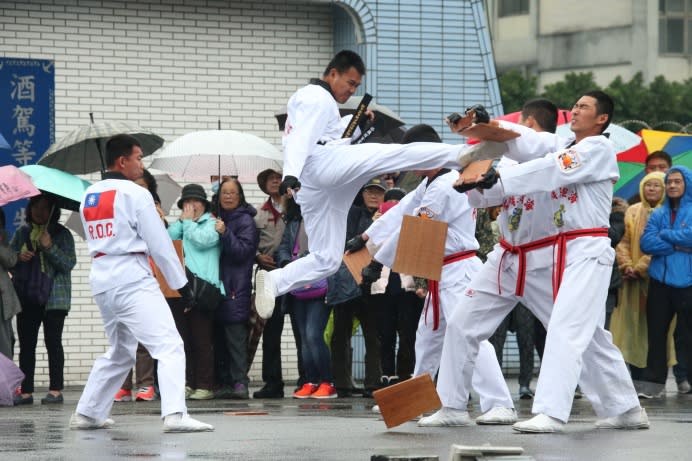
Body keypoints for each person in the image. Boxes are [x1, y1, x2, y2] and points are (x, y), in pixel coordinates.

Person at [432, 91, 648, 433]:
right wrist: (484, 144)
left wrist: (499, 173)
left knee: (569, 329)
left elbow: (547, 163)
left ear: (602, 118)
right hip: (514, 255)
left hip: (579, 251)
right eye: (574, 106)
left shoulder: (596, 149)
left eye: (584, 107)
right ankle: (452, 405)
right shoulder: (546, 151)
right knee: (461, 324)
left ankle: (552, 410)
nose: (575, 111)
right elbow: (525, 150)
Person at [254, 49, 505, 316]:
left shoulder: (319, 103)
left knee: (326, 259)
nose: (352, 91)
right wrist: (290, 171)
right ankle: (460, 155)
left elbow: (332, 137)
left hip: (316, 183)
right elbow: (301, 138)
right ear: (333, 73)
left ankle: (276, 281)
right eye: (350, 83)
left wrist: (357, 123)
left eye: (357, 86)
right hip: (317, 166)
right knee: (390, 154)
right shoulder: (314, 96)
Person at [364, 124, 516, 426]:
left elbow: (414, 227)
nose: (408, 163)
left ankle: (499, 403)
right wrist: (367, 237)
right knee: (428, 339)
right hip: (444, 271)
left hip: (459, 269)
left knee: (469, 335)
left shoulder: (446, 184)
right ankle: (415, 402)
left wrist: (378, 260)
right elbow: (402, 210)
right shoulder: (430, 183)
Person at [72, 133, 212, 432]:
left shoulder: (89, 195)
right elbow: (159, 242)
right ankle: (175, 414)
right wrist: (182, 284)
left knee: (121, 350)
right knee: (170, 344)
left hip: (102, 276)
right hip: (131, 275)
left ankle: (87, 412)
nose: (141, 164)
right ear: (122, 161)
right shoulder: (136, 194)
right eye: (138, 158)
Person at [10, 194, 76, 405]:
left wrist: (49, 246)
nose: (39, 212)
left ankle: (55, 390)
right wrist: (19, 257)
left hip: (55, 299)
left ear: (53, 211)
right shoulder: (23, 232)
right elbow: (10, 261)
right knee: (27, 344)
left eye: (45, 208)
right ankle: (26, 391)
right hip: (28, 296)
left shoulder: (62, 234)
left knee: (53, 344)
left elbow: (67, 264)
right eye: (36, 207)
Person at [638, 166, 692, 398]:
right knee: (656, 334)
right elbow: (646, 244)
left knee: (688, 335)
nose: (671, 185)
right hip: (660, 283)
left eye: (677, 181)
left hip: (688, 283)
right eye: (669, 181)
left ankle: (688, 380)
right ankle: (654, 384)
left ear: (686, 184)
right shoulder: (658, 213)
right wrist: (678, 245)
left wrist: (665, 235)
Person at [329, 178, 385, 397]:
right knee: (340, 334)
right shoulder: (351, 213)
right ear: (362, 194)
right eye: (369, 191)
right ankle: (342, 383)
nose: (373, 196)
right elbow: (349, 242)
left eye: (378, 192)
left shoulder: (388, 216)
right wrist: (372, 225)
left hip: (373, 284)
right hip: (346, 282)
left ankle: (372, 383)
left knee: (373, 335)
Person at [276, 196, 335, 398]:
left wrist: (305, 262)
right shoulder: (294, 221)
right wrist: (287, 265)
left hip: (321, 284)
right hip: (297, 286)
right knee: (303, 337)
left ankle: (327, 382)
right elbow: (284, 247)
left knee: (313, 334)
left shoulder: (327, 220)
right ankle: (310, 381)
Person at [168, 184, 223, 401]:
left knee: (202, 340)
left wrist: (189, 223)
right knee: (184, 340)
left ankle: (205, 385)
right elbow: (167, 239)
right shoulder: (184, 224)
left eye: (196, 202)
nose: (191, 206)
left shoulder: (212, 224)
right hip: (183, 288)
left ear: (204, 204)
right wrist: (182, 221)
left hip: (204, 289)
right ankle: (188, 382)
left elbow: (203, 241)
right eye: (187, 203)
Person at [611, 172, 667, 383]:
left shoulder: (667, 212)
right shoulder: (632, 211)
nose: (651, 189)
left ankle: (653, 375)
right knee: (631, 326)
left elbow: (660, 244)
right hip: (630, 281)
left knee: (653, 326)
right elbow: (623, 242)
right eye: (648, 185)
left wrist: (641, 267)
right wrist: (626, 265)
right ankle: (635, 374)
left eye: (656, 185)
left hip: (657, 279)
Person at [252, 168, 303, 399]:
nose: (275, 182)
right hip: (269, 275)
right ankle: (272, 382)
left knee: (302, 331)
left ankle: (306, 379)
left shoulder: (298, 208)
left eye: (278, 178)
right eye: (270, 179)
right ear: (264, 185)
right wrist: (257, 256)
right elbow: (250, 242)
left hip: (295, 275)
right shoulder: (258, 215)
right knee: (270, 332)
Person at [114, 169, 163, 403]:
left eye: (142, 187)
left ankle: (145, 385)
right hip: (123, 279)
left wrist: (159, 221)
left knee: (144, 336)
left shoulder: (154, 212)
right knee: (123, 335)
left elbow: (164, 247)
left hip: (148, 278)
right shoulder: (119, 213)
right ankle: (122, 386)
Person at [366, 187, 422, 386]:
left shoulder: (415, 225)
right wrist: (378, 226)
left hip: (407, 287)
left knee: (408, 333)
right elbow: (371, 251)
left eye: (398, 204)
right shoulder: (377, 227)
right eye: (390, 204)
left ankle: (404, 374)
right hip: (382, 287)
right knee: (384, 333)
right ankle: (387, 373)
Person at [214, 178, 258, 400]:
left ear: (240, 196)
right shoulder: (214, 218)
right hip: (216, 288)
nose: (228, 196)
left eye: (232, 192)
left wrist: (225, 233)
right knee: (219, 340)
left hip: (235, 288)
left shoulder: (245, 221)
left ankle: (240, 383)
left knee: (235, 338)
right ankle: (224, 383)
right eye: (224, 192)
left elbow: (243, 252)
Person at [0, 208, 21, 360]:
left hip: (2, 297)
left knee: (6, 341)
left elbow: (11, 260)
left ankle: (5, 381)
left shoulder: (2, 237)